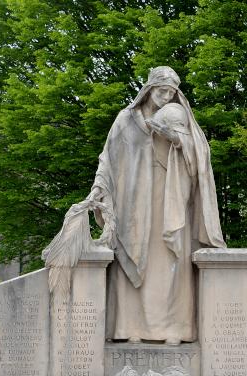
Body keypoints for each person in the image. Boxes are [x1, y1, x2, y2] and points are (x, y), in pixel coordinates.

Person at [88, 66, 225, 345]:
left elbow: (200, 156)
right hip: (133, 202)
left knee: (170, 261)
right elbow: (108, 158)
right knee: (135, 255)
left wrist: (175, 138)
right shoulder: (126, 119)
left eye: (172, 92)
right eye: (162, 90)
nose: (166, 96)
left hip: (170, 199)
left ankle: (175, 328)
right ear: (148, 89)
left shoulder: (178, 117)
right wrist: (99, 187)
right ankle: (130, 328)